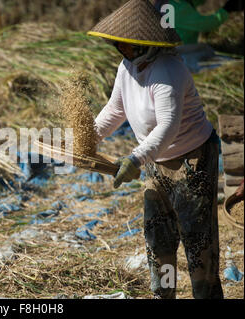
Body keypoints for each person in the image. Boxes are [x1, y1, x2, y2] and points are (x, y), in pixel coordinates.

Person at [87, 0, 223, 298]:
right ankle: (165, 295)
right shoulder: (127, 68)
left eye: (128, 46)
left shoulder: (168, 70)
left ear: (147, 43)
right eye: (119, 45)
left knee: (197, 242)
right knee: (158, 239)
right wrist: (89, 138)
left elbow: (168, 126)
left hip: (192, 160)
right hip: (155, 160)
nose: (123, 51)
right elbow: (114, 109)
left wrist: (135, 158)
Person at [155, 0, 244, 72]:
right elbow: (206, 24)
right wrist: (227, 10)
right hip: (181, 54)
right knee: (229, 63)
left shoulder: (166, 3)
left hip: (167, 53)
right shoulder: (176, 7)